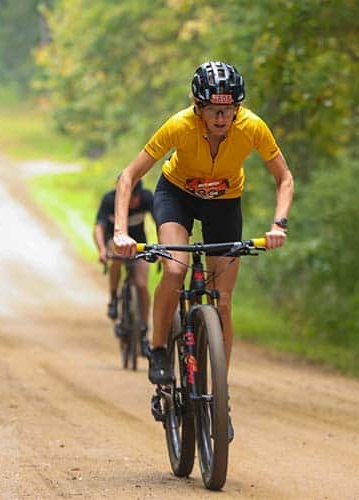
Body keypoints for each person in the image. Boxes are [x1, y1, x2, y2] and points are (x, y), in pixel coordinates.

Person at [113, 61, 294, 394]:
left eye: (229, 110)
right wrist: (120, 232)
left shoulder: (252, 127)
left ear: (238, 108)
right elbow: (128, 176)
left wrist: (278, 225)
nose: (222, 118)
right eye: (213, 110)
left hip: (224, 202)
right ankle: (157, 351)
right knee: (173, 270)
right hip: (177, 195)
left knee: (223, 300)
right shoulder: (179, 125)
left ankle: (219, 388)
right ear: (198, 107)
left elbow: (284, 178)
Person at [94, 178, 154, 356]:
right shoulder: (109, 200)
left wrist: (162, 247)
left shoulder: (147, 199)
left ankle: (143, 331)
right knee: (117, 257)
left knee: (142, 284)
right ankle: (113, 298)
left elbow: (161, 223)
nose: (132, 201)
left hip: (139, 245)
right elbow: (98, 227)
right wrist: (102, 250)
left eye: (135, 197)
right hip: (116, 243)